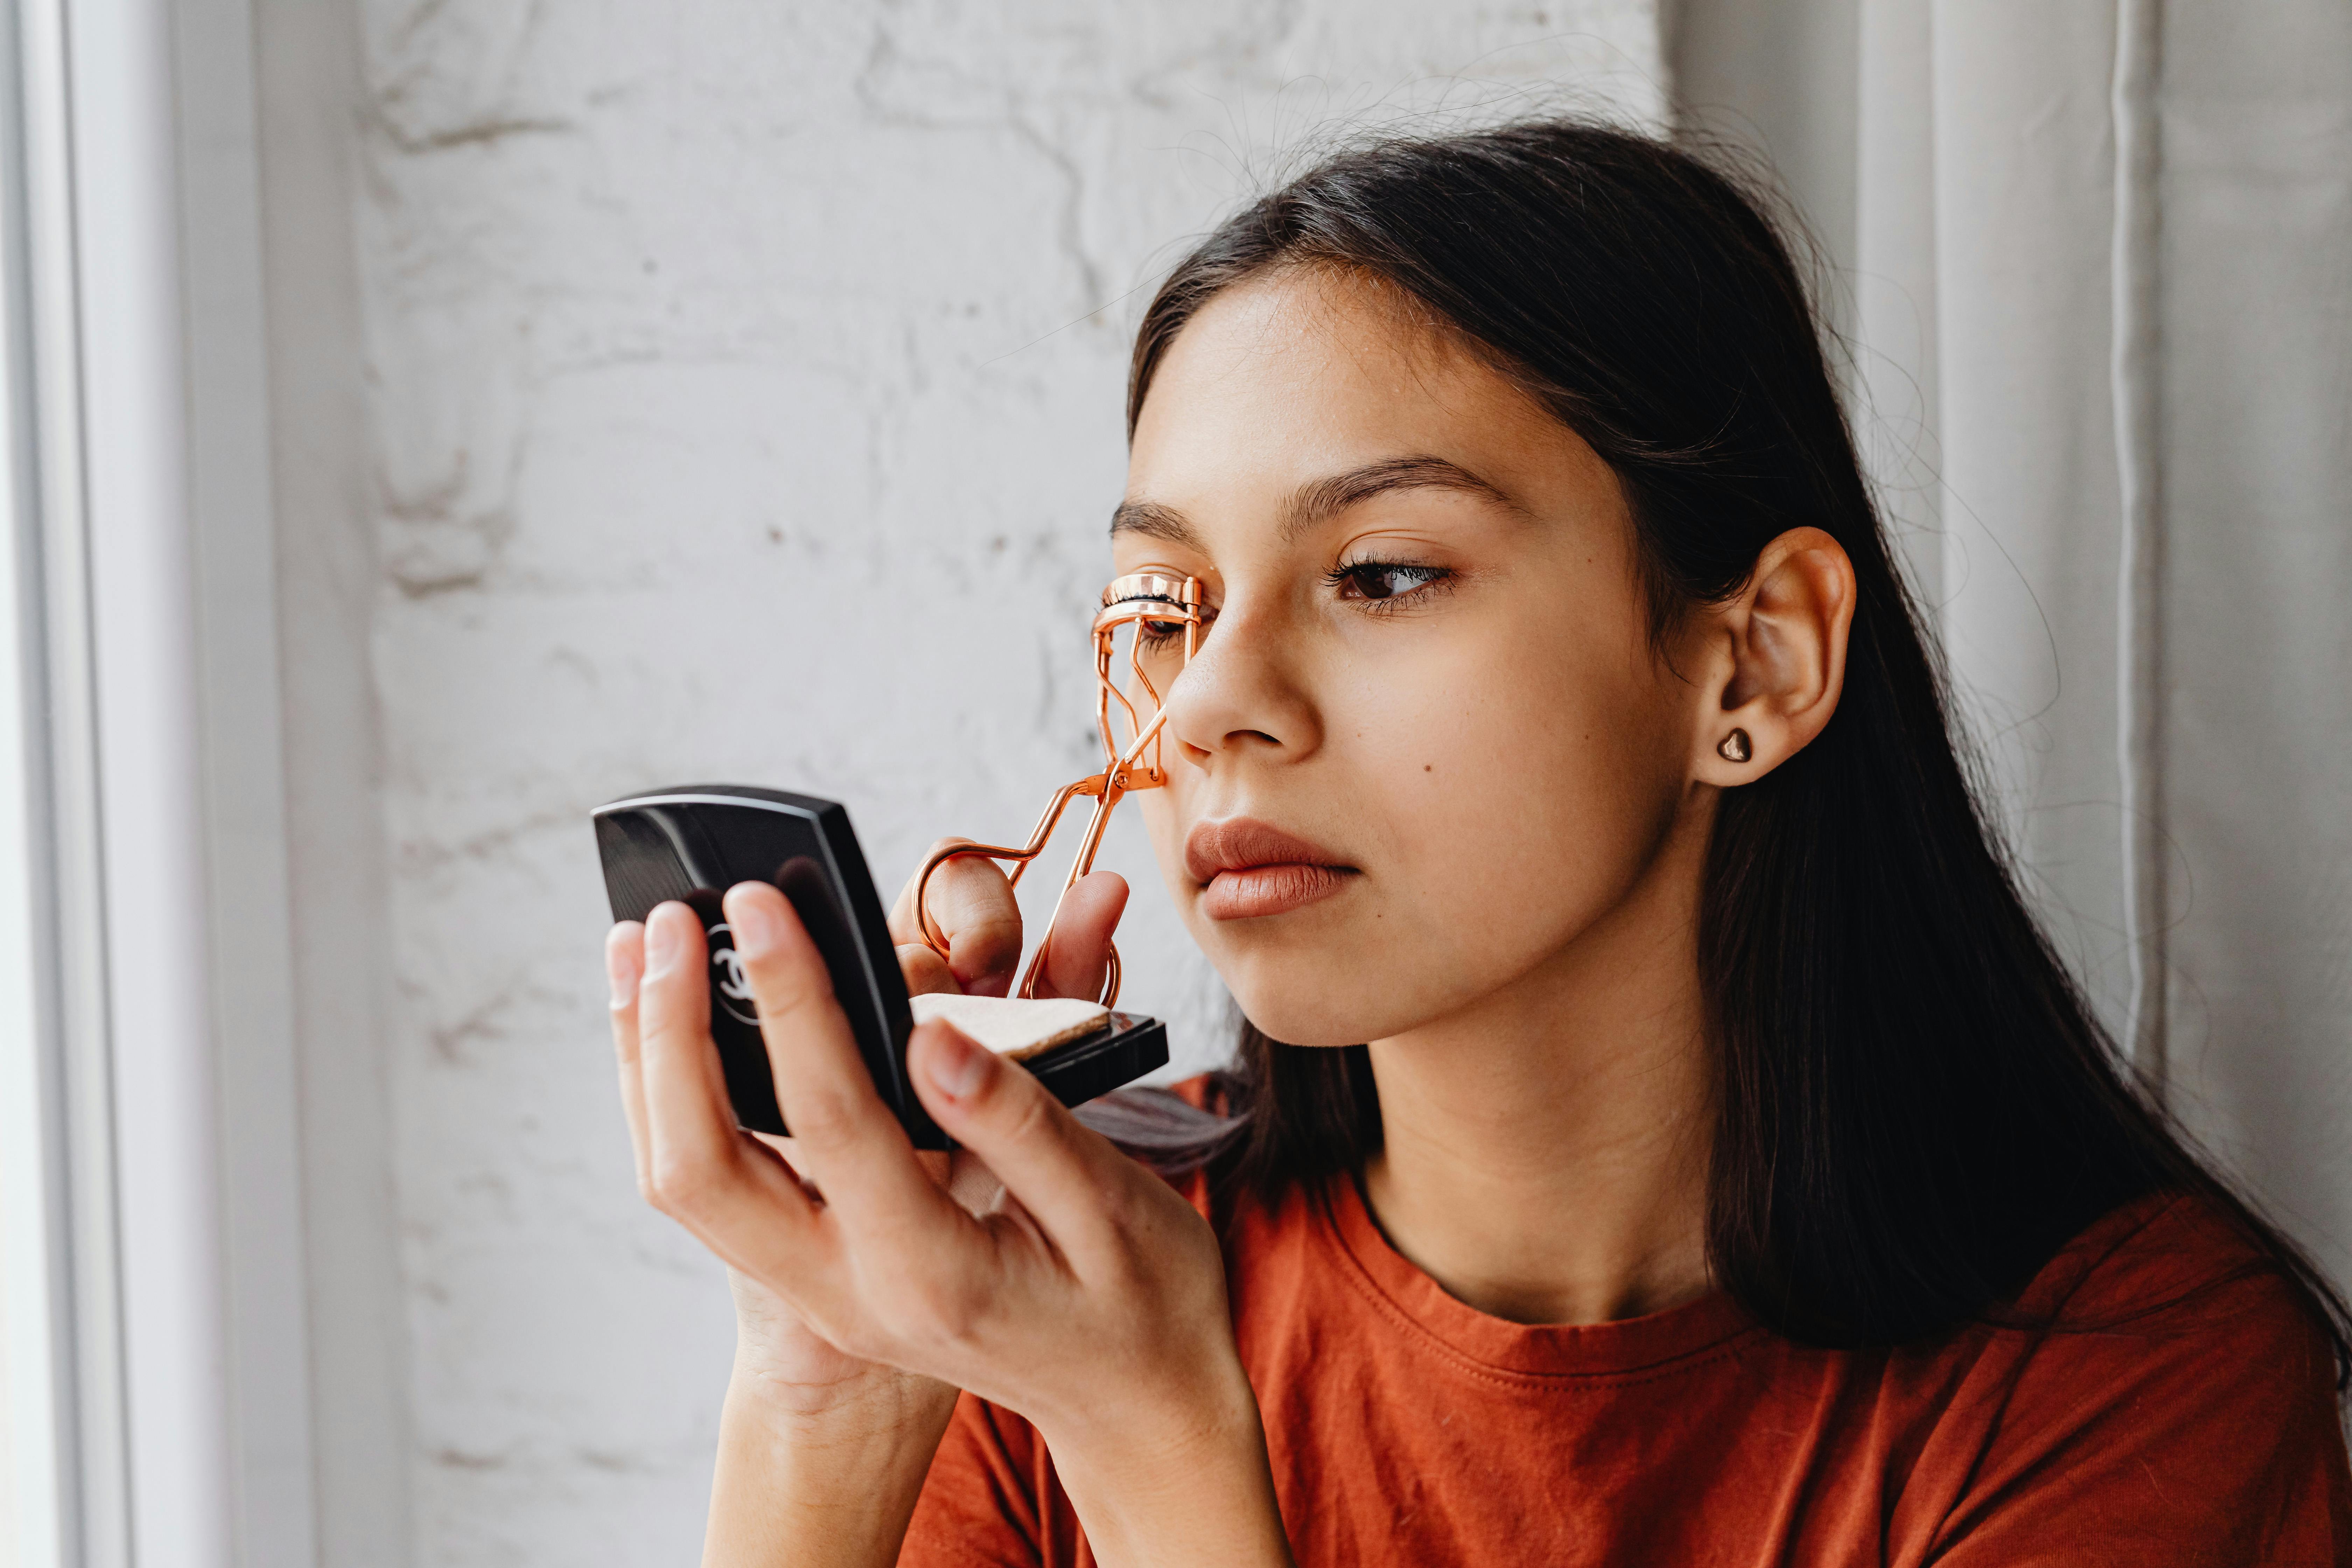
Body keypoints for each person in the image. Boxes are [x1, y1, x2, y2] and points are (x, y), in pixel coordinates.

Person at [601, 121, 2352, 1566]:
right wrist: (831, 1395)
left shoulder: (2129, 1384)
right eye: (1165, 604)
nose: (1210, 701)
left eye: (1379, 573)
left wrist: (1154, 1445)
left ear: (1754, 660)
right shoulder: (1053, 1288)